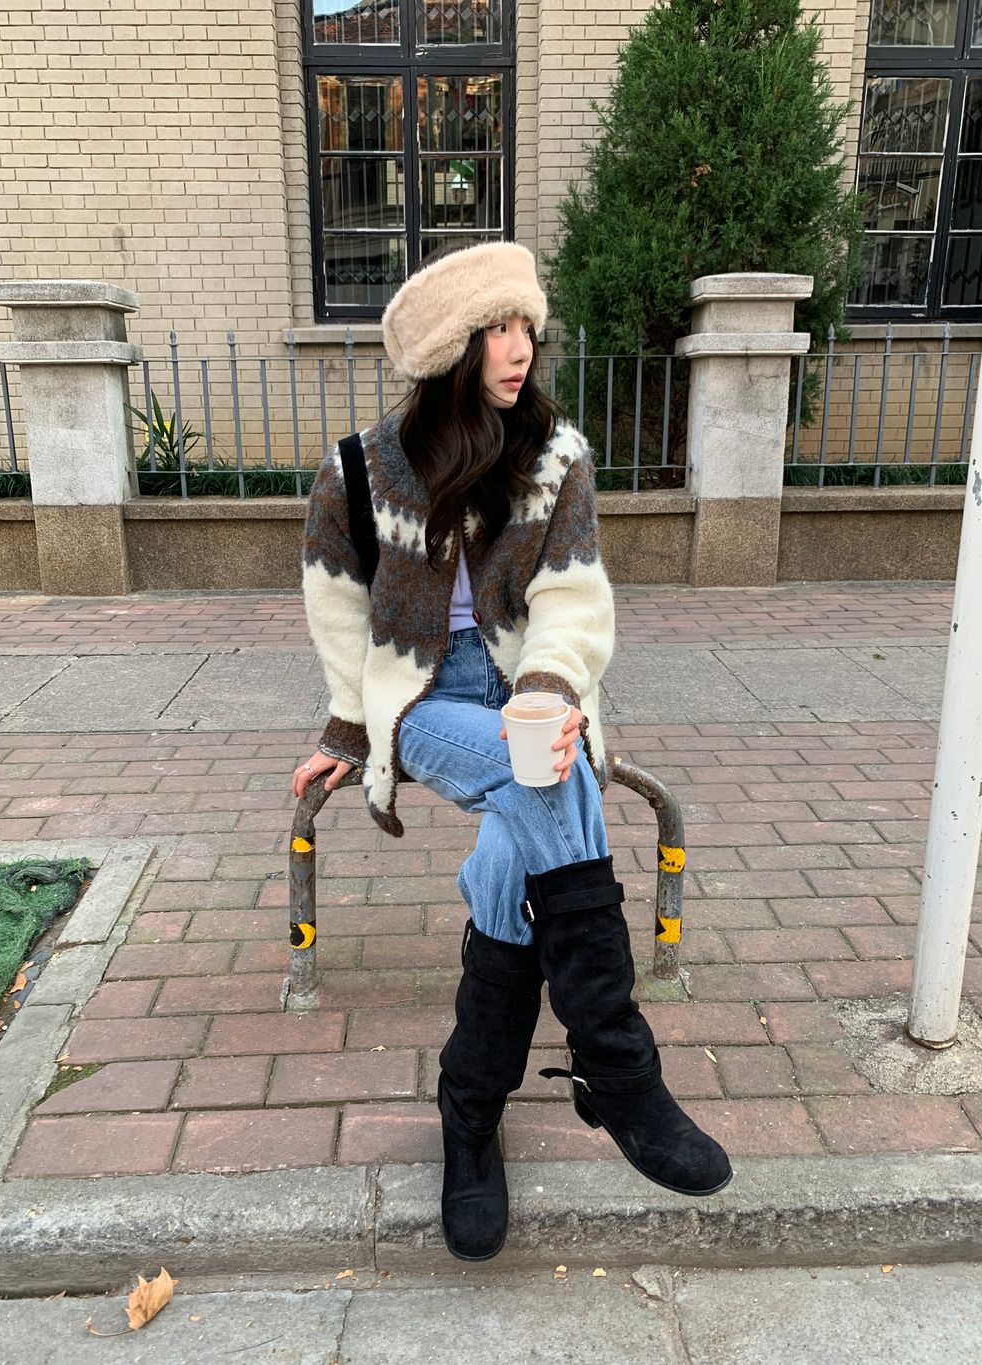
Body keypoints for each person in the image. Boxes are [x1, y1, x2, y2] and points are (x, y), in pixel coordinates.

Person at [293, 240, 732, 1263]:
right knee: (554, 783)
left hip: (531, 686)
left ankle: (470, 1111)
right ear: (447, 352)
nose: (518, 348)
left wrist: (547, 689)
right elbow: (336, 608)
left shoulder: (555, 457)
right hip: (421, 697)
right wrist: (349, 729)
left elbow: (572, 597)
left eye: (525, 325)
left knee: (522, 834)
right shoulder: (360, 469)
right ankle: (617, 1068)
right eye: (494, 329)